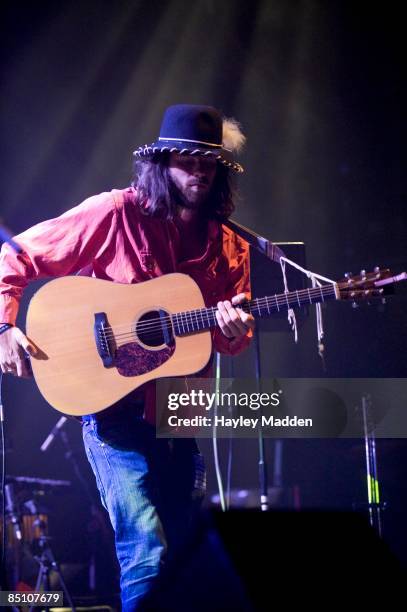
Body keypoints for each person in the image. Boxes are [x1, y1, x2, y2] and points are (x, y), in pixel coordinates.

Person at [0, 104, 254, 610]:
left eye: (209, 163)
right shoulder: (115, 213)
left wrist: (233, 329)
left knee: (185, 562)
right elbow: (18, 254)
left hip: (180, 416)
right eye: (188, 160)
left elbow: (229, 339)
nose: (199, 171)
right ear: (162, 163)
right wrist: (5, 325)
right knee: (146, 551)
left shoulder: (231, 246)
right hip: (113, 413)